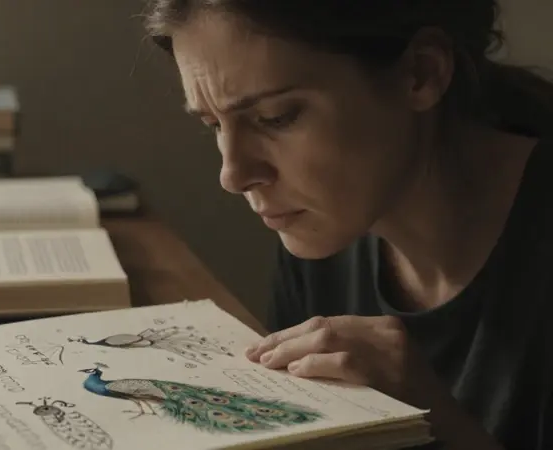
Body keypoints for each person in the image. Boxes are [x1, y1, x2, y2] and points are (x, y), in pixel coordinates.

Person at [143, 1, 552, 449]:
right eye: (213, 124)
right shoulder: (319, 223)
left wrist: (435, 423)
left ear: (421, 73)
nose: (233, 174)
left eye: (275, 117)